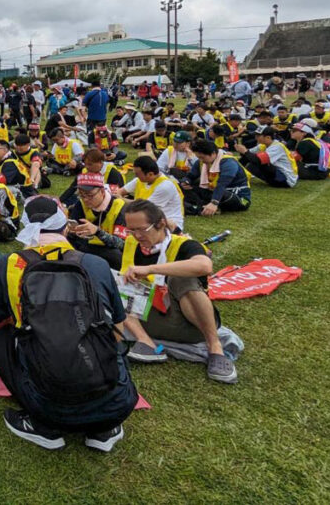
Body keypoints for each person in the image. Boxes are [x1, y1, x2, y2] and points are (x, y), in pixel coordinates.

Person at [0, 195, 136, 451]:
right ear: (65, 228)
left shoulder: (9, 265)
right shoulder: (96, 264)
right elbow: (119, 326)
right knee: (107, 334)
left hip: (49, 409)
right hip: (116, 404)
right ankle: (104, 429)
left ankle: (42, 426)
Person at [118, 200, 236, 384]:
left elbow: (205, 265)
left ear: (161, 224)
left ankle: (215, 347)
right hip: (145, 318)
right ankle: (146, 343)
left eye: (142, 229)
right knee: (109, 282)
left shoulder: (185, 245)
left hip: (189, 322)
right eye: (131, 230)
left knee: (181, 278)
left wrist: (151, 269)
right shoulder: (131, 243)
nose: (136, 235)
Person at [67, 173, 127, 269]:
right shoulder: (80, 204)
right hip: (85, 245)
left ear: (102, 192)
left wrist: (97, 231)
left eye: (90, 195)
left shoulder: (119, 207)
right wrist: (71, 230)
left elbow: (121, 244)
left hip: (107, 249)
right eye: (82, 195)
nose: (85, 199)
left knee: (116, 256)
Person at [180, 139, 251, 217]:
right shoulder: (202, 162)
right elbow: (190, 176)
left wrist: (214, 202)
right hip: (213, 191)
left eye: (202, 157)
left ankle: (201, 206)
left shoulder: (228, 162)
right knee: (180, 187)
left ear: (213, 153)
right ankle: (201, 206)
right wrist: (186, 181)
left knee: (221, 193)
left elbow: (222, 184)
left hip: (238, 197)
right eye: (198, 157)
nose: (201, 160)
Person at [118, 156, 185, 231]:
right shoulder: (140, 180)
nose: (135, 176)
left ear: (150, 174)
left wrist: (121, 199)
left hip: (167, 224)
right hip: (147, 218)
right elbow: (120, 191)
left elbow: (144, 207)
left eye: (137, 174)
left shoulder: (165, 186)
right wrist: (119, 196)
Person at [233, 126, 298, 188]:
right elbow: (247, 155)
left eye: (258, 136)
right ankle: (234, 174)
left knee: (255, 163)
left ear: (268, 137)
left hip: (287, 180)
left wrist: (245, 151)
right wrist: (241, 150)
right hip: (279, 175)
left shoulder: (277, 146)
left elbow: (256, 160)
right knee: (250, 158)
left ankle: (238, 177)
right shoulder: (263, 145)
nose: (256, 138)